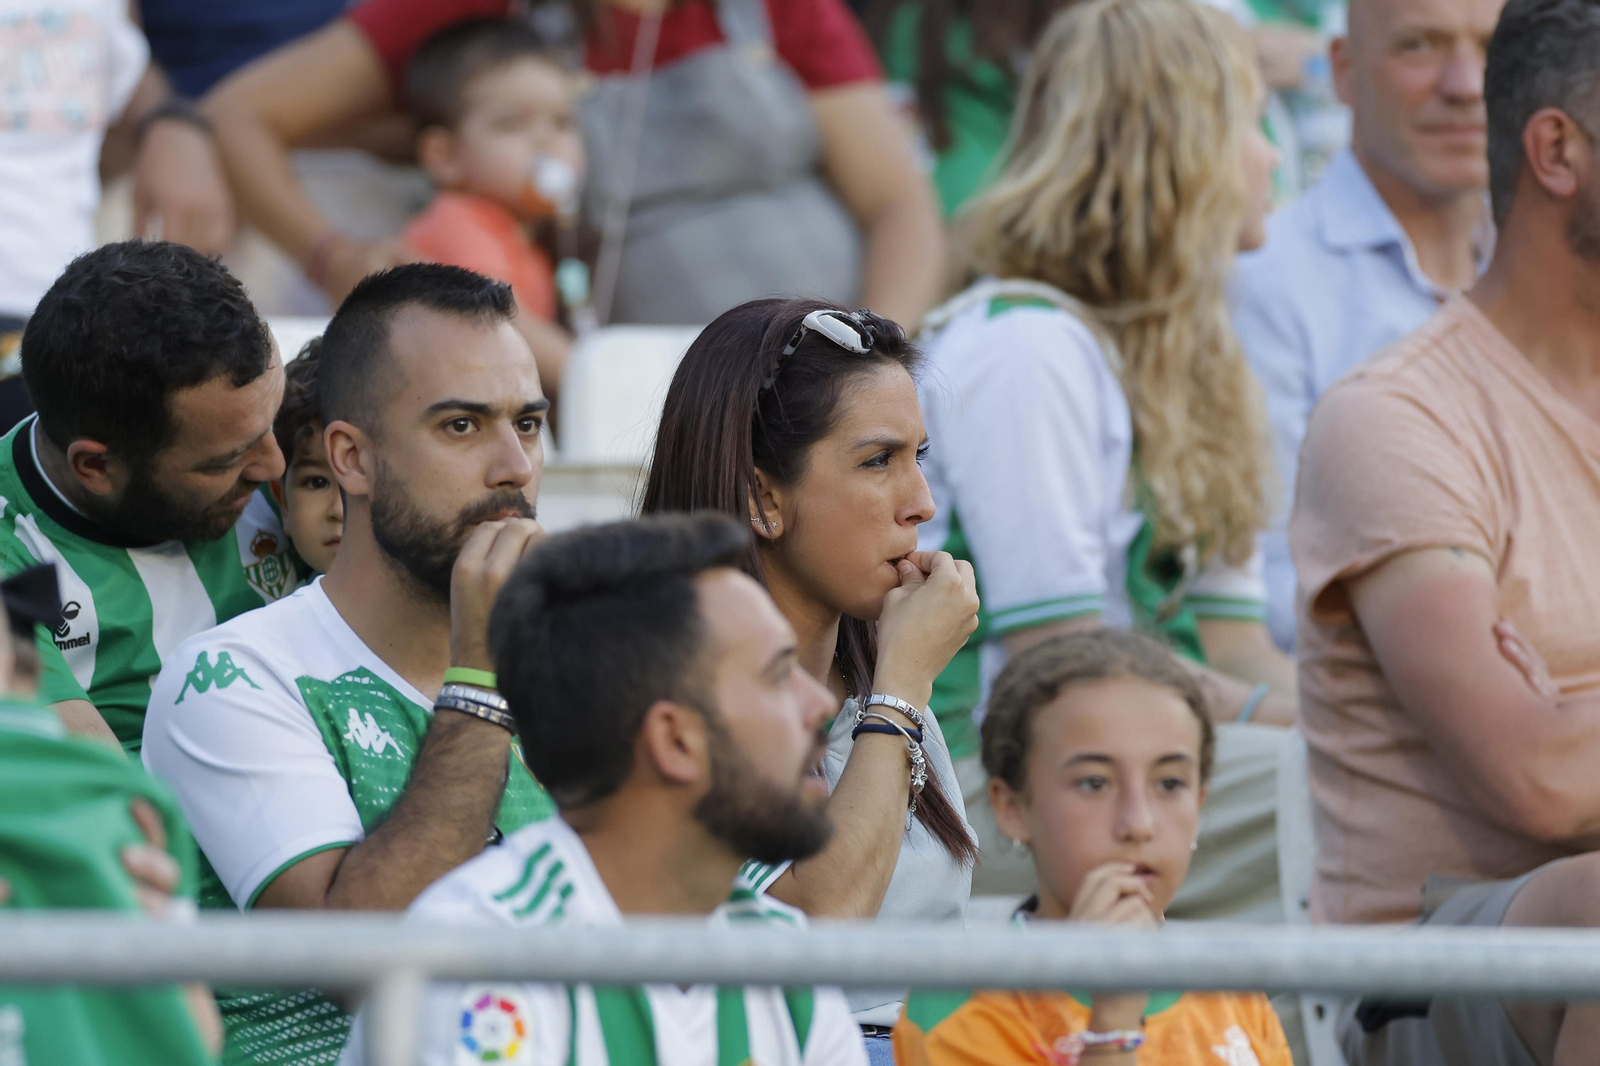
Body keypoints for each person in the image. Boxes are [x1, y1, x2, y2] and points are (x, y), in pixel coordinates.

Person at [914, 0, 1293, 911]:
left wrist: (1352, 720)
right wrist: (1327, 737)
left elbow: (1240, 647)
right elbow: (1066, 661)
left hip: (1130, 753)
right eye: (1248, 122)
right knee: (1345, 793)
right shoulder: (1025, 348)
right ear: (1178, 150)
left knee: (1392, 780)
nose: (1273, 155)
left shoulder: (1195, 353)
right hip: (984, 779)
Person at [142, 264, 555, 1066]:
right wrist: (480, 677)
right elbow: (361, 961)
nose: (515, 467)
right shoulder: (233, 676)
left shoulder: (589, 667)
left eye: (529, 424)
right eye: (462, 427)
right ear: (351, 459)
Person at [1290, 0, 1600, 1061]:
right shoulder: (1395, 416)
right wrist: (1554, 735)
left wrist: (1576, 712)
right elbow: (1544, 784)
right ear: (1558, 149)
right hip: (1429, 971)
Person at [338, 513, 868, 1066]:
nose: (821, 705)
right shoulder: (483, 957)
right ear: (675, 740)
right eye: (778, 674)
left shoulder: (783, 964)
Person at [639, 297, 979, 1060]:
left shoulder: (883, 681)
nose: (920, 504)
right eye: (876, 461)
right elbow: (810, 936)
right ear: (763, 496)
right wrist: (901, 690)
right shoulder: (674, 705)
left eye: (918, 458)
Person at [202, 0, 947, 327]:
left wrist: (875, 350)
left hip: (842, 365)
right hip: (652, 405)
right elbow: (241, 115)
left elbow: (901, 205)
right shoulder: (495, 10)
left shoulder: (779, 7)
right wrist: (332, 256)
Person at [1230, 0, 1501, 649]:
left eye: (1493, 50)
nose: (1465, 86)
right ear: (1344, 72)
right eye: (1420, 47)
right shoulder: (1267, 279)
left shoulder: (1561, 267)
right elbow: (1267, 580)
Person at [894, 629, 1292, 1065]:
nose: (1138, 824)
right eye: (1094, 783)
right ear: (1012, 808)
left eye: (1170, 784)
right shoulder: (956, 1006)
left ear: (1198, 804)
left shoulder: (1232, 992)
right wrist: (1112, 1029)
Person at [0, 240, 297, 753]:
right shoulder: (13, 567)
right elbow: (105, 798)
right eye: (227, 460)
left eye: (275, 422)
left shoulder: (312, 429)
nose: (277, 467)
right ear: (96, 466)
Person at [0, 564, 222, 1066]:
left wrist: (159, 930)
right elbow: (195, 1041)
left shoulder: (115, 808)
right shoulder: (121, 801)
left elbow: (195, 1039)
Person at [401, 18, 585, 393]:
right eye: (512, 125)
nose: (546, 142)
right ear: (445, 156)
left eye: (562, 122)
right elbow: (499, 319)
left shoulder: (524, 234)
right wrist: (589, 375)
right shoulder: (459, 223)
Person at [269, 338, 343, 575]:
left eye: (369, 480)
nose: (339, 510)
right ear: (284, 503)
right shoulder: (274, 613)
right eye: (317, 482)